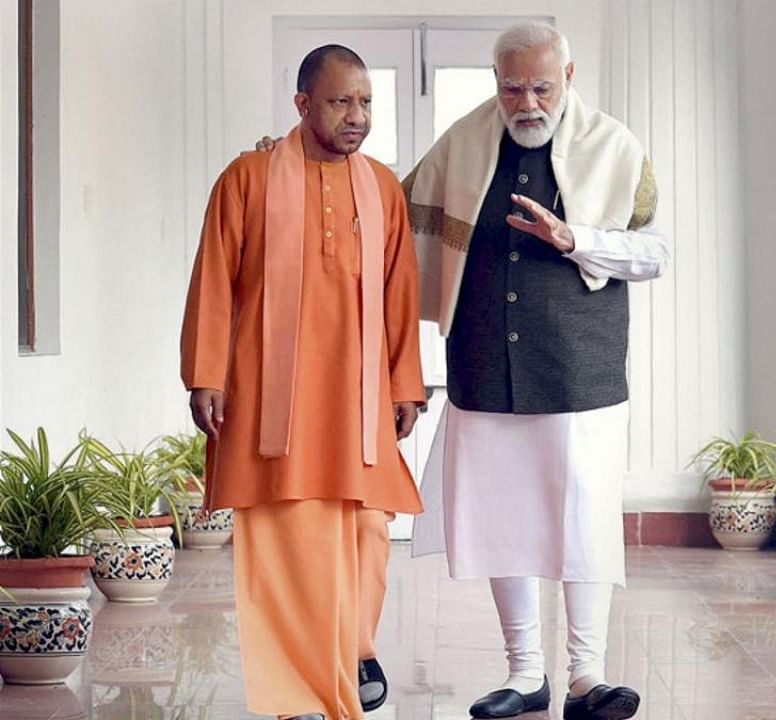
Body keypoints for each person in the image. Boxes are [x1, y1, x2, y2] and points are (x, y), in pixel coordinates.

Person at [406, 20, 668, 720]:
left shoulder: (615, 148)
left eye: (541, 86)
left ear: (569, 79)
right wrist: (298, 160)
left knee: (581, 519)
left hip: (579, 373)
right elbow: (391, 216)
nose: (527, 101)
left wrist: (573, 237)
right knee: (502, 520)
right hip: (485, 367)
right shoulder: (461, 145)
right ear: (497, 82)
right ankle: (526, 675)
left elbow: (655, 255)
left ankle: (587, 676)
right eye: (513, 86)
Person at [181, 44, 424, 720]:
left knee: (369, 532)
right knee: (289, 538)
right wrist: (206, 372)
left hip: (358, 396)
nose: (357, 116)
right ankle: (297, 695)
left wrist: (406, 383)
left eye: (367, 102)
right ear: (303, 104)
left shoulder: (381, 187)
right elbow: (214, 282)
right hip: (270, 398)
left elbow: (399, 292)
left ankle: (352, 647)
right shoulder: (248, 177)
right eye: (341, 101)